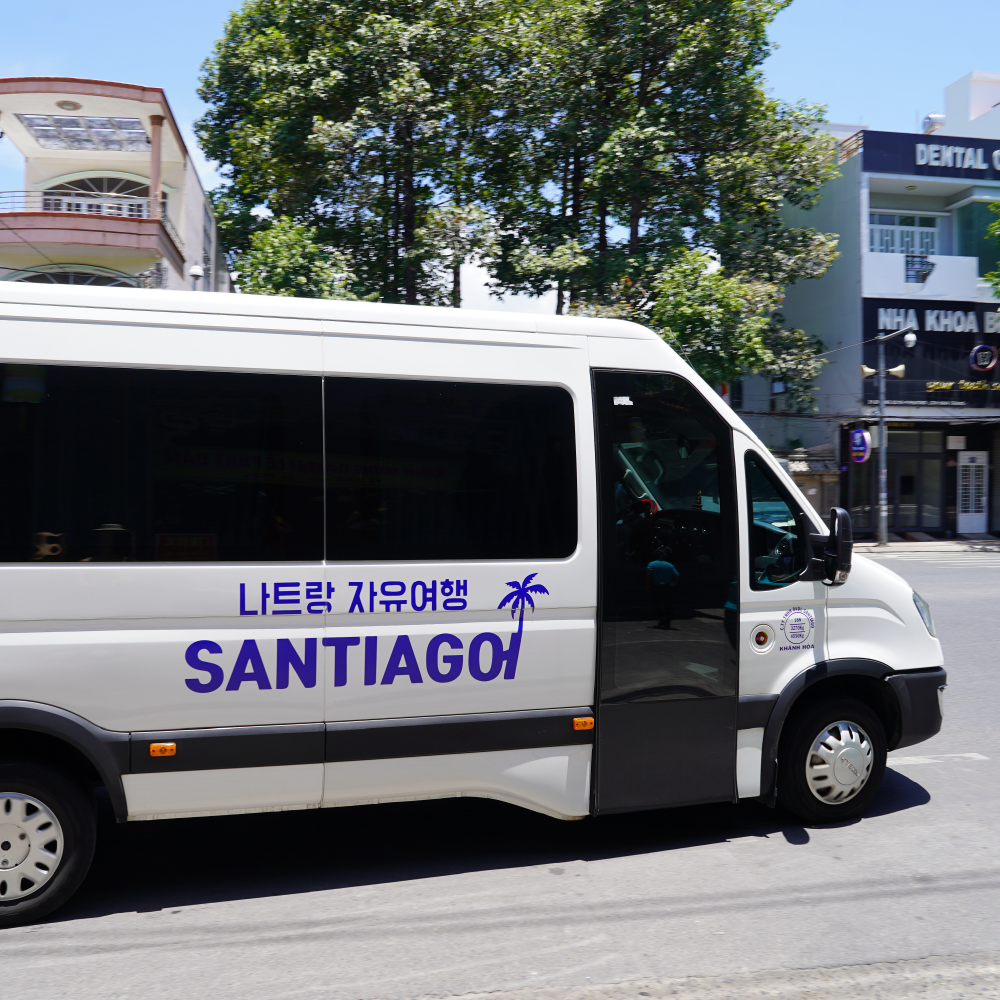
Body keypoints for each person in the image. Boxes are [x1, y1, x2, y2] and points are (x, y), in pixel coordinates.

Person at [646, 547, 679, 629]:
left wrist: (648, 586)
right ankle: (667, 622)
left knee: (656, 603)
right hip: (667, 586)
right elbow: (677, 575)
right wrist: (673, 584)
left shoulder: (651, 564)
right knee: (668, 604)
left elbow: (649, 575)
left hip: (656, 587)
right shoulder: (669, 565)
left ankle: (662, 617)